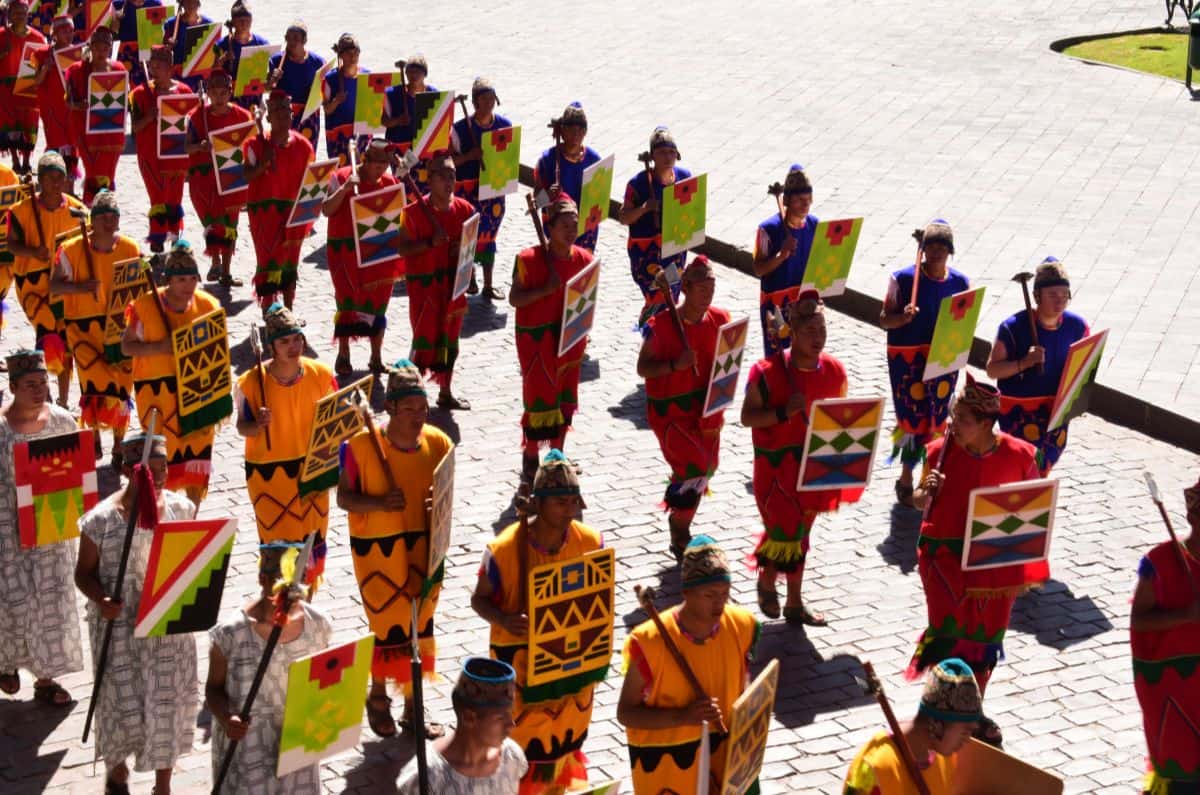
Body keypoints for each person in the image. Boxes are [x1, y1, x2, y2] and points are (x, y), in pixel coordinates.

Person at [910, 374, 1042, 748]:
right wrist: (925, 492)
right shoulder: (938, 452)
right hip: (943, 561)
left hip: (992, 563)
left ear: (986, 424)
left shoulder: (1020, 456)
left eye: (963, 420)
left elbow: (1032, 506)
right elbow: (919, 502)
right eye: (953, 417)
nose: (953, 425)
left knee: (984, 640)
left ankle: (972, 709)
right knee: (949, 635)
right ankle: (939, 709)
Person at [74, 430, 199, 795]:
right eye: (151, 469)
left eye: (164, 468)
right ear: (129, 470)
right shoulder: (99, 522)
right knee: (119, 702)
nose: (160, 476)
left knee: (168, 705)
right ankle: (117, 771)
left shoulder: (181, 508)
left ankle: (163, 785)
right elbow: (82, 574)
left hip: (168, 627)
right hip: (119, 627)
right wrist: (101, 599)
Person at [471, 450, 601, 794]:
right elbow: (478, 600)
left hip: (569, 670)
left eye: (574, 502)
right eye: (561, 503)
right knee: (523, 764)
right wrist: (504, 619)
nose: (570, 510)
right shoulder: (503, 550)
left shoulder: (590, 543)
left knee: (561, 755)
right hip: (522, 670)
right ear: (540, 504)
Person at [338, 360, 453, 740]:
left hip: (423, 550)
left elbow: (445, 495)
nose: (419, 416)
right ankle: (377, 694)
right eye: (410, 409)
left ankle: (411, 707)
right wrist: (378, 504)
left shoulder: (438, 443)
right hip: (380, 553)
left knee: (421, 625)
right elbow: (344, 497)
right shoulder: (359, 446)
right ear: (390, 408)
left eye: (423, 408)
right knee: (388, 627)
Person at [741, 291, 863, 626]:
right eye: (810, 331)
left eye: (821, 330)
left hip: (813, 471)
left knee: (800, 537)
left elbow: (841, 422)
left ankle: (794, 602)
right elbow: (748, 417)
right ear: (792, 332)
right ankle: (767, 581)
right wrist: (783, 412)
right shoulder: (766, 372)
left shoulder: (835, 372)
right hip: (775, 469)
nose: (818, 338)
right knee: (786, 533)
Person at [617, 535, 760, 794]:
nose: (719, 603)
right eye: (710, 595)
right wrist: (683, 716)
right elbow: (626, 713)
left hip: (725, 764)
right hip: (671, 771)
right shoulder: (650, 642)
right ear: (686, 592)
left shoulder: (742, 626)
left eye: (725, 594)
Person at [205, 541, 331, 795]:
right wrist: (227, 718)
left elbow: (324, 686)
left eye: (295, 588)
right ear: (262, 579)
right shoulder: (231, 633)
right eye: (280, 586)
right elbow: (213, 690)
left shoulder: (318, 626)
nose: (288, 597)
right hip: (247, 750)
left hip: (297, 748)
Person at [0, 350, 85, 708]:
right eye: (30, 384)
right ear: (14, 387)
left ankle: (46, 679)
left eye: (43, 382)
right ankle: (5, 662)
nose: (38, 390)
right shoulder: (2, 431)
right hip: (8, 531)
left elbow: (77, 477)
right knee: (14, 602)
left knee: (50, 602)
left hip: (52, 528)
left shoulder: (64, 423)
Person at [636, 255, 730, 560]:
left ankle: (681, 523)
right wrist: (676, 364)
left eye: (712, 287)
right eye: (702, 287)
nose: (708, 294)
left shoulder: (720, 320)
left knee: (706, 469)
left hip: (704, 411)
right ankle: (680, 528)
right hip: (670, 413)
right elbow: (643, 368)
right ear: (686, 287)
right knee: (694, 466)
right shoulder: (661, 325)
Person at [235, 303, 337, 579]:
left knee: (311, 544)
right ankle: (278, 607)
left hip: (311, 471)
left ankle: (303, 608)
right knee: (278, 547)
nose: (293, 346)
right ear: (272, 346)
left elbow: (336, 419)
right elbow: (242, 427)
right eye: (284, 341)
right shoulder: (251, 382)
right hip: (269, 476)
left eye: (297, 339)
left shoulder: (321, 374)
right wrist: (257, 424)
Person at [121, 241, 222, 506]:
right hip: (158, 398)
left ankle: (192, 515)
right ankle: (163, 511)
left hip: (196, 395)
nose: (188, 286)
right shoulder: (144, 306)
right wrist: (161, 348)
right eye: (181, 280)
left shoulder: (209, 306)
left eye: (192, 279)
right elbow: (126, 345)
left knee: (196, 460)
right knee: (162, 460)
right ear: (169, 280)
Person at [879, 219, 970, 509]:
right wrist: (902, 318)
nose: (936, 252)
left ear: (950, 251)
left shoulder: (960, 284)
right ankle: (906, 475)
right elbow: (884, 319)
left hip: (942, 359)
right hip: (908, 361)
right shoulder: (904, 280)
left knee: (938, 418)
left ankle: (927, 478)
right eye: (930, 246)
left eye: (942, 247)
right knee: (911, 419)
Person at [509, 193, 593, 486]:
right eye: (564, 226)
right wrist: (544, 290)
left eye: (574, 225)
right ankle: (530, 457)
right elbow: (515, 298)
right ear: (550, 228)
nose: (570, 231)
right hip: (537, 342)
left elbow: (586, 301)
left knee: (565, 399)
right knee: (539, 399)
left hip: (568, 342)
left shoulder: (585, 260)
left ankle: (557, 455)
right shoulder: (528, 260)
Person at [49, 190, 137, 467]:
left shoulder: (130, 249)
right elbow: (53, 285)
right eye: (104, 217)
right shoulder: (72, 250)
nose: (110, 222)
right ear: (93, 221)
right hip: (83, 329)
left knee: (122, 387)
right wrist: (79, 287)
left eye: (114, 217)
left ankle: (119, 446)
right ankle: (96, 435)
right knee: (94, 386)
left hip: (118, 328)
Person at [985, 257, 1090, 475]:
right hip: (1019, 412)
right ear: (1037, 297)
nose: (1059, 300)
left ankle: (1032, 504)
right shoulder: (1012, 327)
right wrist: (1025, 362)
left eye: (1064, 295)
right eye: (1052, 294)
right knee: (1021, 466)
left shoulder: (1077, 327)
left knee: (1043, 466)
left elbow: (1084, 368)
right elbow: (992, 369)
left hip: (1054, 411)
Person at [1131, 476, 1200, 794]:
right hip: (1177, 691)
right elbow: (1140, 622)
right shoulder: (1158, 563)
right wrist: (1186, 615)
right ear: (1192, 517)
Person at [6, 150, 85, 406]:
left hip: (63, 285)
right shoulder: (20, 210)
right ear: (40, 180)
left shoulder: (77, 211)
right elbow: (12, 246)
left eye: (59, 178)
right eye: (49, 178)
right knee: (48, 332)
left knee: (66, 340)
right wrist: (33, 252)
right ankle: (45, 393)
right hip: (33, 284)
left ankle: (61, 399)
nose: (55, 183)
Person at [398, 154, 476, 410]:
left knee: (450, 342)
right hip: (425, 291)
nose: (449, 181)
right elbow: (402, 248)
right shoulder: (411, 213)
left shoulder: (465, 210)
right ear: (429, 179)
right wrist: (429, 243)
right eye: (443, 176)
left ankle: (445, 391)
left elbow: (469, 250)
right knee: (424, 340)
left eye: (452, 175)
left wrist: (459, 252)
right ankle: (414, 395)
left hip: (452, 290)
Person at [844, 658, 982, 794]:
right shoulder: (877, 768)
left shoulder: (944, 758)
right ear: (936, 725)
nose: (967, 740)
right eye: (965, 731)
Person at [322, 136, 399, 375]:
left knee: (378, 303)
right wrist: (345, 190)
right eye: (378, 164)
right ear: (365, 159)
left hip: (377, 253)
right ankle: (343, 354)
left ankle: (376, 357)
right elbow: (326, 209)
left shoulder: (389, 182)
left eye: (385, 164)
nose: (381, 169)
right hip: (344, 251)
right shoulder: (342, 176)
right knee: (346, 301)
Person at [397, 657, 529, 795]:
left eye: (510, 714)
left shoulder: (512, 758)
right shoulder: (427, 777)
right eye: (500, 717)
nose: (511, 724)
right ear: (469, 717)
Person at [242, 88, 315, 309]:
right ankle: (269, 308)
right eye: (277, 112)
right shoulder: (255, 144)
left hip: (292, 212)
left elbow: (311, 181)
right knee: (268, 261)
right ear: (268, 116)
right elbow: (246, 175)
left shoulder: (304, 146)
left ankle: (289, 309)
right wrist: (263, 164)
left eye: (287, 112)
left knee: (290, 261)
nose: (283, 116)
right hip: (264, 212)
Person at [184, 67, 253, 285]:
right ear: (208, 93)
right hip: (204, 181)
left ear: (230, 92)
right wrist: (200, 146)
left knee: (230, 224)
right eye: (214, 92)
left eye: (223, 93)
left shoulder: (242, 117)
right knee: (213, 223)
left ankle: (226, 270)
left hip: (231, 181)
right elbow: (186, 147)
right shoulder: (196, 117)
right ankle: (214, 262)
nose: (219, 97)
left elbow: (251, 147)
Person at [618, 126, 691, 326]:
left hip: (674, 252)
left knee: (671, 294)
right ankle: (651, 331)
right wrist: (643, 209)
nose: (667, 157)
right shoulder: (638, 184)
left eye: (671, 152)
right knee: (658, 293)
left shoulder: (685, 178)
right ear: (652, 156)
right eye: (661, 152)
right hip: (646, 253)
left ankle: (660, 332)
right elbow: (624, 217)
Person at [129, 44, 192, 254]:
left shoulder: (184, 92)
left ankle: (175, 238)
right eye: (152, 66)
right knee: (157, 197)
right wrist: (149, 116)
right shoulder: (139, 94)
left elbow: (192, 125)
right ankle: (157, 238)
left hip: (176, 155)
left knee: (174, 197)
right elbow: (135, 128)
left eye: (159, 66)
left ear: (170, 67)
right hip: (150, 155)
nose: (155, 71)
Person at [451, 75, 510, 299]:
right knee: (469, 235)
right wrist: (468, 156)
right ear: (474, 102)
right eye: (484, 99)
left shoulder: (503, 127)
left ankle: (488, 283)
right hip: (467, 190)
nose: (488, 103)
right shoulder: (459, 130)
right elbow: (449, 162)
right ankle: (470, 278)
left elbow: (508, 160)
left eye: (491, 99)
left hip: (493, 193)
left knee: (489, 237)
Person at [753, 164, 818, 357]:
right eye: (799, 200)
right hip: (777, 307)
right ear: (787, 200)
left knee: (806, 356)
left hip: (806, 304)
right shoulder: (769, 229)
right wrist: (781, 255)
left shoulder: (815, 226)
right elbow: (759, 269)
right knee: (779, 358)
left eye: (808, 200)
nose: (805, 204)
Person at [65, 23, 127, 202]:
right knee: (93, 172)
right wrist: (78, 105)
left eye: (105, 48)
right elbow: (68, 101)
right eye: (97, 48)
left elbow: (121, 99)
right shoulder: (76, 70)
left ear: (110, 49)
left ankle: (106, 208)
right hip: (86, 132)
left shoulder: (119, 69)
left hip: (112, 133)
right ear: (90, 47)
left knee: (108, 173)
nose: (101, 52)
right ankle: (90, 206)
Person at [533, 101, 601, 252]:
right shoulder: (548, 160)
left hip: (585, 231)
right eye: (571, 129)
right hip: (558, 231)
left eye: (580, 129)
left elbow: (600, 201)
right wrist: (548, 195)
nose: (576, 134)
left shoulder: (594, 161)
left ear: (585, 132)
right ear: (562, 131)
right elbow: (536, 203)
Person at [0, 0, 46, 175]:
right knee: (10, 126)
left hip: (28, 88)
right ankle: (15, 160)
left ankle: (26, 161)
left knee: (29, 126)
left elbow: (43, 63)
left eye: (22, 12)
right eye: (16, 12)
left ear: (28, 14)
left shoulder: (38, 38)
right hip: (6, 89)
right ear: (10, 14)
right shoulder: (1, 35)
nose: (19, 16)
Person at [33, 15, 78, 193]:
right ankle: (54, 185)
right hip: (52, 111)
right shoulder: (41, 54)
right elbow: (34, 81)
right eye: (64, 31)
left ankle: (70, 188)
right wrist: (45, 69)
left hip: (72, 110)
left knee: (73, 148)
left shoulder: (78, 54)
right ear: (55, 33)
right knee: (56, 146)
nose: (68, 35)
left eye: (71, 31)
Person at [265, 19, 325, 144]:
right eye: (288, 38)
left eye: (295, 38)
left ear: (304, 40)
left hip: (309, 115)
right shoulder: (276, 60)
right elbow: (267, 88)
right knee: (283, 149)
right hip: (283, 115)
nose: (291, 41)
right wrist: (273, 80)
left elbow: (323, 91)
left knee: (307, 154)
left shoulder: (318, 62)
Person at [382, 54, 435, 190]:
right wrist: (398, 120)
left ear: (424, 74)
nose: (414, 75)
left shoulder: (433, 96)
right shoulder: (393, 94)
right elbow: (384, 121)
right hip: (400, 151)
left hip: (423, 150)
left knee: (423, 188)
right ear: (405, 73)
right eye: (410, 71)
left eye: (418, 71)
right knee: (403, 185)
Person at [321, 32, 366, 166]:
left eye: (356, 52)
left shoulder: (367, 77)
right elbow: (327, 110)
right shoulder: (330, 79)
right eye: (348, 53)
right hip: (338, 135)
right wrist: (336, 101)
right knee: (341, 173)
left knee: (363, 172)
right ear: (341, 55)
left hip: (361, 133)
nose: (353, 56)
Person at [215, 0, 267, 111]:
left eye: (247, 20)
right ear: (233, 22)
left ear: (251, 20)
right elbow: (212, 75)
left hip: (254, 97)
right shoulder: (221, 45)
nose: (244, 24)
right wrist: (222, 60)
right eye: (240, 20)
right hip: (230, 97)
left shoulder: (262, 44)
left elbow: (266, 76)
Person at [161, 0, 212, 92]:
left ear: (198, 3)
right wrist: (169, 46)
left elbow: (212, 51)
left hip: (199, 75)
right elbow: (163, 50)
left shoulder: (208, 24)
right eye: (187, 2)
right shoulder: (172, 24)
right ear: (182, 4)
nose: (191, 5)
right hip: (178, 74)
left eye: (194, 1)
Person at [114, 0, 163, 86]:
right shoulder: (117, 5)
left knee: (148, 87)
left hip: (148, 55)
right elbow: (110, 35)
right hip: (125, 58)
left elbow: (160, 34)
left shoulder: (156, 5)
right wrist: (114, 23)